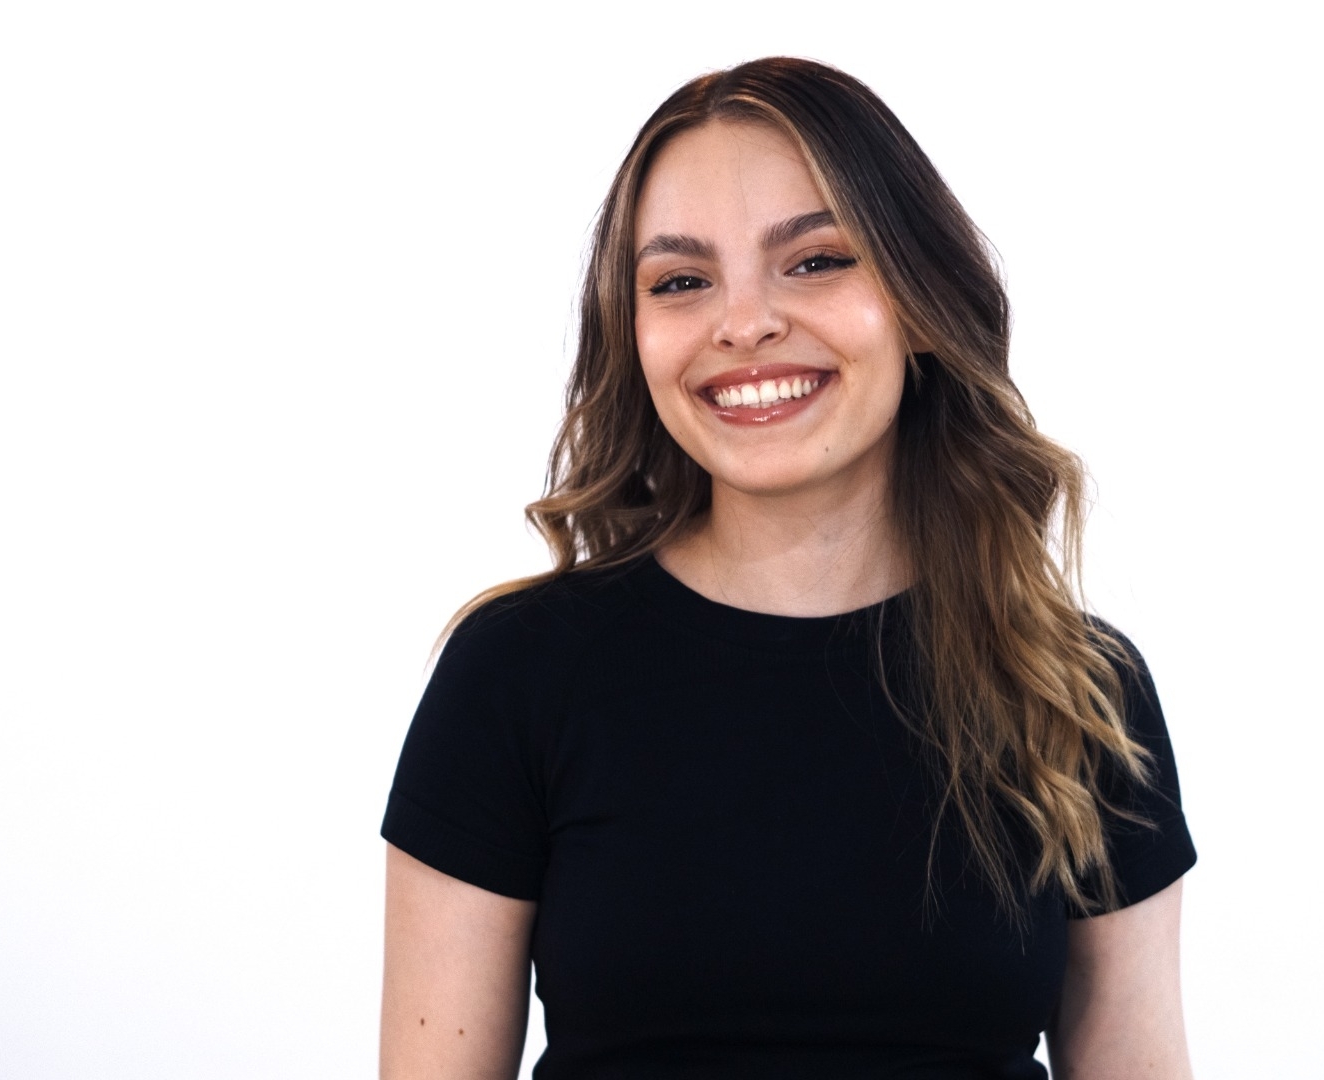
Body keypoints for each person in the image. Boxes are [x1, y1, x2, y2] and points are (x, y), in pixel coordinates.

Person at [379, 57, 1197, 1080]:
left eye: (814, 261)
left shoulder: (1073, 689)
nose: (744, 323)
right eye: (680, 281)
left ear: (918, 299)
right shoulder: (516, 674)